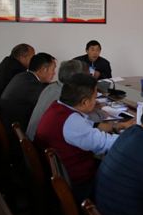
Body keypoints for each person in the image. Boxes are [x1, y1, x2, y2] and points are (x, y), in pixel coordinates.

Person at [34, 73, 133, 203]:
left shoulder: (58, 107)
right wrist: (138, 135)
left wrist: (119, 126)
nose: (95, 102)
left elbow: (91, 126)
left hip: (60, 174)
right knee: (127, 175)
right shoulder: (72, 122)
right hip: (77, 184)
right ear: (84, 102)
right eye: (95, 98)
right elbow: (107, 143)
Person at [26, 60, 108, 141]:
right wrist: (101, 114)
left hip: (34, 139)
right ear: (77, 79)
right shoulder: (66, 96)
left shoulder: (51, 87)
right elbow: (81, 120)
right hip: (42, 144)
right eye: (87, 76)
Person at [0, 52, 56, 133]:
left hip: (7, 124)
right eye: (53, 69)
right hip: (16, 132)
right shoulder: (32, 86)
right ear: (43, 69)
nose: (54, 73)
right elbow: (49, 104)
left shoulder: (22, 76)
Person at [0, 43, 35, 113]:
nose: (34, 61)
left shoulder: (8, 62)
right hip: (0, 111)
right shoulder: (17, 69)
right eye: (32, 58)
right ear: (21, 58)